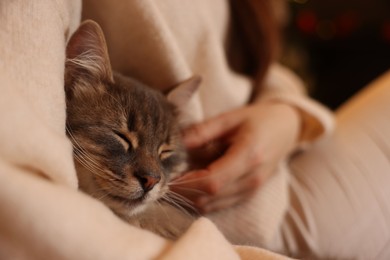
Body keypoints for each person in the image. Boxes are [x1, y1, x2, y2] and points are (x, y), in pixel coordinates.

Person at [1, 1, 389, 260]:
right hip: (254, 223)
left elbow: (263, 71)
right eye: (122, 142)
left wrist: (287, 115)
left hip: (289, 161)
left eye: (163, 158)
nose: (151, 177)